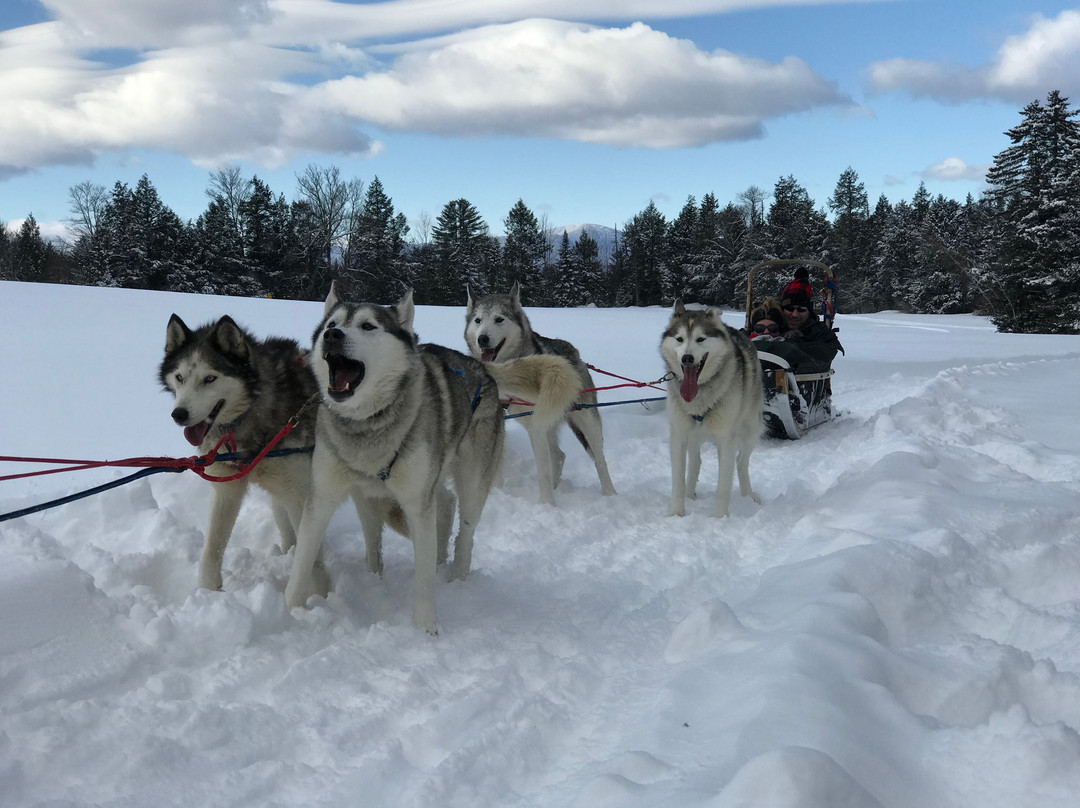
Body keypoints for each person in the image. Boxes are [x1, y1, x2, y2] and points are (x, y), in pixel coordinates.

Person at [751, 269, 843, 373]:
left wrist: (787, 344)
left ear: (809, 312)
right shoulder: (773, 322)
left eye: (801, 310)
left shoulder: (819, 331)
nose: (795, 314)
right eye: (789, 309)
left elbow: (824, 353)